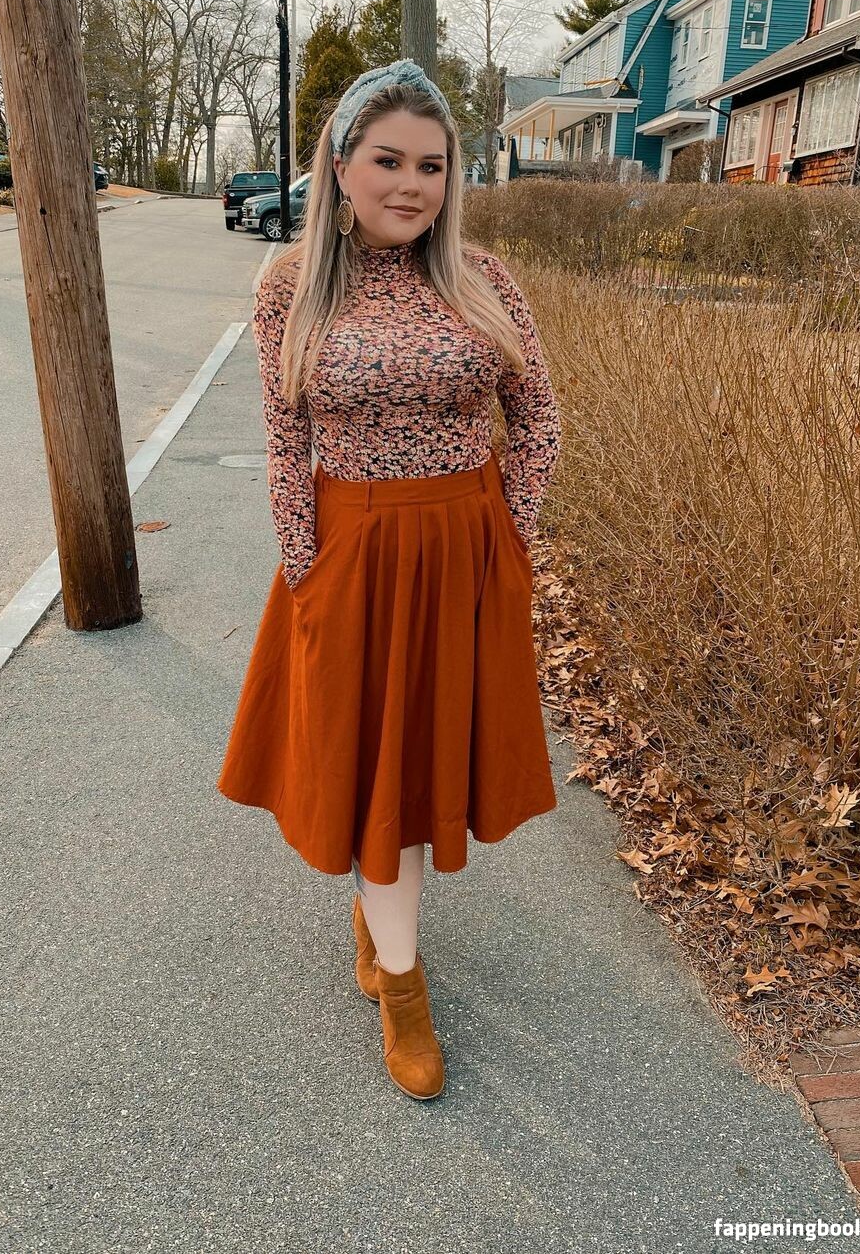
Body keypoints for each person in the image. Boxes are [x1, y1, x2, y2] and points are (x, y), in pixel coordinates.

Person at [216, 59, 562, 1102]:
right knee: (376, 766)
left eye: (433, 165)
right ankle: (403, 990)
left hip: (464, 547)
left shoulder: (483, 279)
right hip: (353, 554)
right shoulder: (290, 286)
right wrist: (305, 565)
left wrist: (510, 536)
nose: (412, 184)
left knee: (421, 766)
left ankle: (383, 928)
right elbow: (286, 439)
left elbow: (538, 418)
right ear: (340, 164)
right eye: (389, 161)